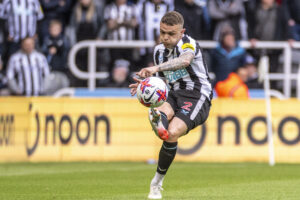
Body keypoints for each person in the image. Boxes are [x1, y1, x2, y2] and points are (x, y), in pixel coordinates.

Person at [129, 11, 212, 199]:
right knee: (166, 131)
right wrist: (144, 86)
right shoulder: (159, 51)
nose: (165, 37)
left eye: (171, 33)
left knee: (173, 133)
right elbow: (161, 82)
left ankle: (156, 182)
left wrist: (155, 68)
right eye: (162, 32)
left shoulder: (188, 44)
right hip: (173, 94)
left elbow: (185, 60)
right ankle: (159, 121)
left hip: (197, 95)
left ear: (181, 32)